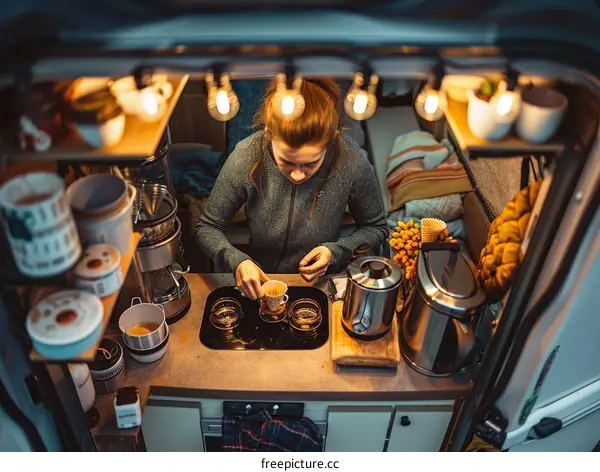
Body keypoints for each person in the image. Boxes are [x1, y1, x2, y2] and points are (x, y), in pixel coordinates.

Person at [196, 78, 387, 300]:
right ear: (268, 133)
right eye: (286, 161)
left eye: (310, 164)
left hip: (321, 286)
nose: (297, 175)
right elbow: (207, 228)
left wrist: (335, 251)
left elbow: (376, 227)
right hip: (264, 283)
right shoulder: (246, 156)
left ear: (331, 139)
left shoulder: (352, 162)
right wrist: (237, 260)